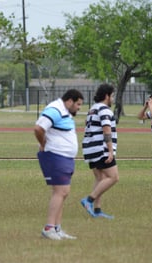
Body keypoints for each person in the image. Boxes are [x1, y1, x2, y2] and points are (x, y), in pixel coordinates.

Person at [34, 89, 84, 240]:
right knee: (60, 192)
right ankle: (49, 228)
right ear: (69, 101)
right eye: (78, 104)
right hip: (55, 156)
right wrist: (43, 143)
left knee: (64, 192)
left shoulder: (65, 112)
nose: (79, 108)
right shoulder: (55, 109)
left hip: (64, 157)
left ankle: (57, 228)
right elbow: (38, 128)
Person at [80, 83, 118, 219]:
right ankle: (88, 200)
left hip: (89, 148)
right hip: (100, 148)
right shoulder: (105, 109)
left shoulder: (92, 109)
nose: (113, 99)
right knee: (113, 177)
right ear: (107, 96)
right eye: (112, 95)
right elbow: (106, 129)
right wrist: (110, 151)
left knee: (100, 178)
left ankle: (97, 210)